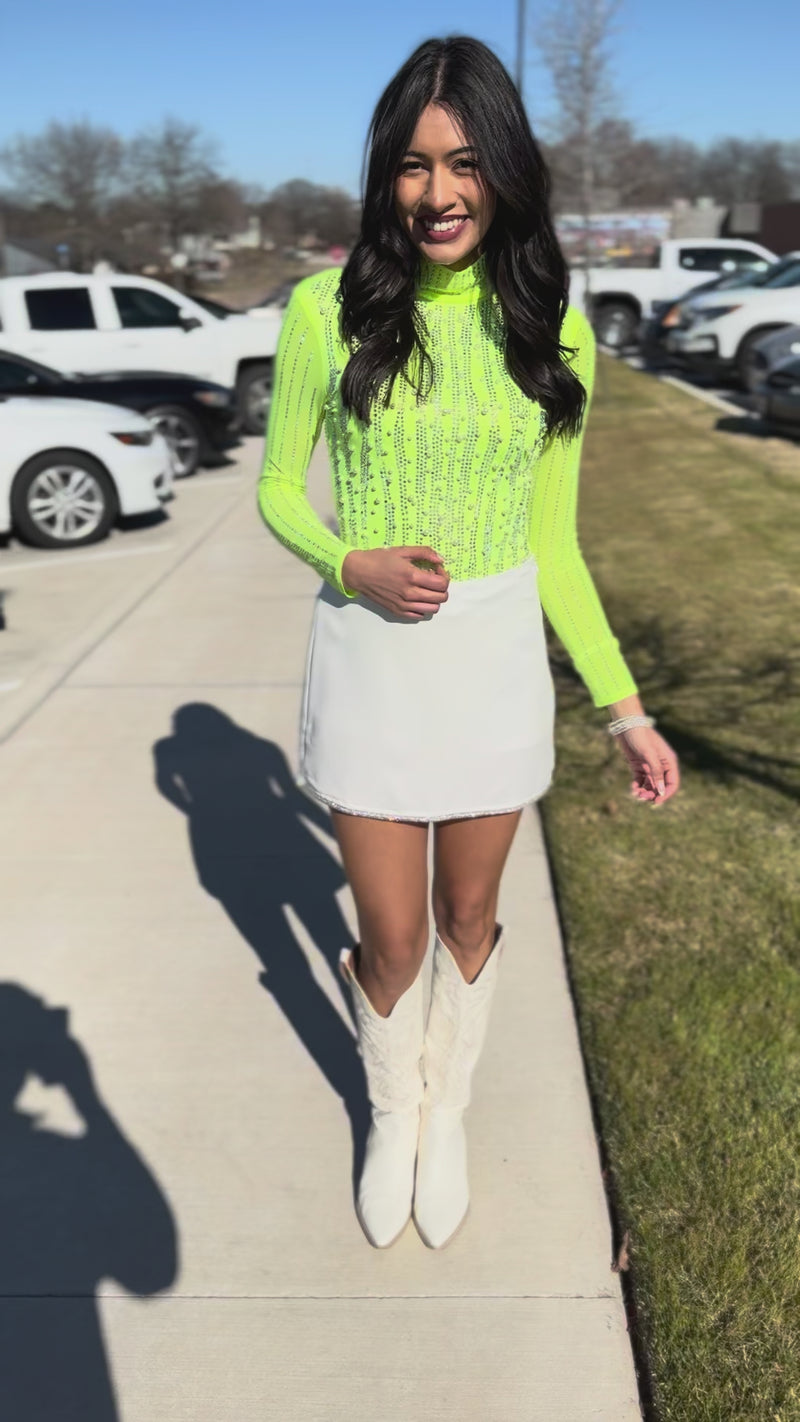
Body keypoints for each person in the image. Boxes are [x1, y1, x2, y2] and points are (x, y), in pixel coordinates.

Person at [257, 34, 680, 1251]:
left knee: (470, 918)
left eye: (460, 164)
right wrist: (350, 560)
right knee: (389, 936)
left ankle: (453, 1112)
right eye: (408, 167)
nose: (435, 194)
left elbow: (556, 544)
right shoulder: (322, 313)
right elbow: (280, 487)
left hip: (491, 661)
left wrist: (623, 706)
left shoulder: (550, 324)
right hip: (371, 658)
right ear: (382, 179)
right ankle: (397, 1109)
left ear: (503, 170)